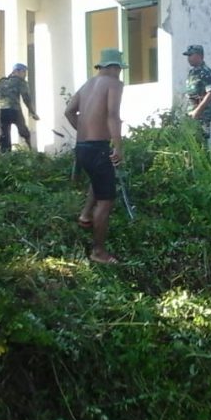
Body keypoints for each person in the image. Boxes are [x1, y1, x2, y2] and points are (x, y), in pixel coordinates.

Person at [64, 48, 125, 265]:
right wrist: (118, 147)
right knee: (106, 202)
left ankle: (85, 215)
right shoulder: (114, 84)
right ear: (114, 67)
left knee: (97, 180)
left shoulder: (87, 85)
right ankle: (98, 252)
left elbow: (69, 111)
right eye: (119, 69)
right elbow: (113, 116)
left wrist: (83, 131)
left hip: (82, 147)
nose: (119, 73)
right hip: (98, 147)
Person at [0, 62, 39, 153]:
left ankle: (5, 158)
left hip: (0, 112)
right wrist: (33, 112)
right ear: (16, 71)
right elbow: (26, 98)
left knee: (3, 137)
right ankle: (30, 152)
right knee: (24, 132)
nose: (25, 75)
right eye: (24, 72)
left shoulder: (0, 82)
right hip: (14, 110)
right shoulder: (20, 81)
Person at [183, 44, 211, 141]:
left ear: (199, 55)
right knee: (191, 142)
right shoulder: (192, 72)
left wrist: (197, 112)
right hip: (190, 112)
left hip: (202, 115)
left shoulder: (206, 72)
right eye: (188, 56)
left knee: (201, 142)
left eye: (191, 55)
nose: (188, 58)